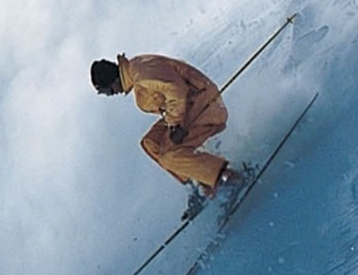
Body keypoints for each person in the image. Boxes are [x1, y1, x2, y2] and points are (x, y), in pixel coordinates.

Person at [91, 53, 244, 207]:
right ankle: (200, 182)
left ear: (113, 80)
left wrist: (175, 124)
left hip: (205, 104)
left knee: (169, 156)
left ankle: (228, 178)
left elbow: (176, 89)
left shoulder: (141, 74)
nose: (110, 95)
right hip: (189, 108)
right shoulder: (136, 74)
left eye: (107, 91)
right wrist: (173, 124)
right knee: (151, 143)